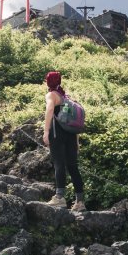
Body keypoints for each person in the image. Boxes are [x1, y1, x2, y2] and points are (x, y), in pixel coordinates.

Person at [42, 71, 86, 211]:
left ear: (48, 82)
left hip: (57, 134)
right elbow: (73, 123)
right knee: (73, 166)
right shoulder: (66, 97)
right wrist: (77, 141)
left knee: (59, 164)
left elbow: (49, 110)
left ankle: (59, 198)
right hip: (71, 135)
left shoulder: (51, 95)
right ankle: (80, 202)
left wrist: (46, 131)